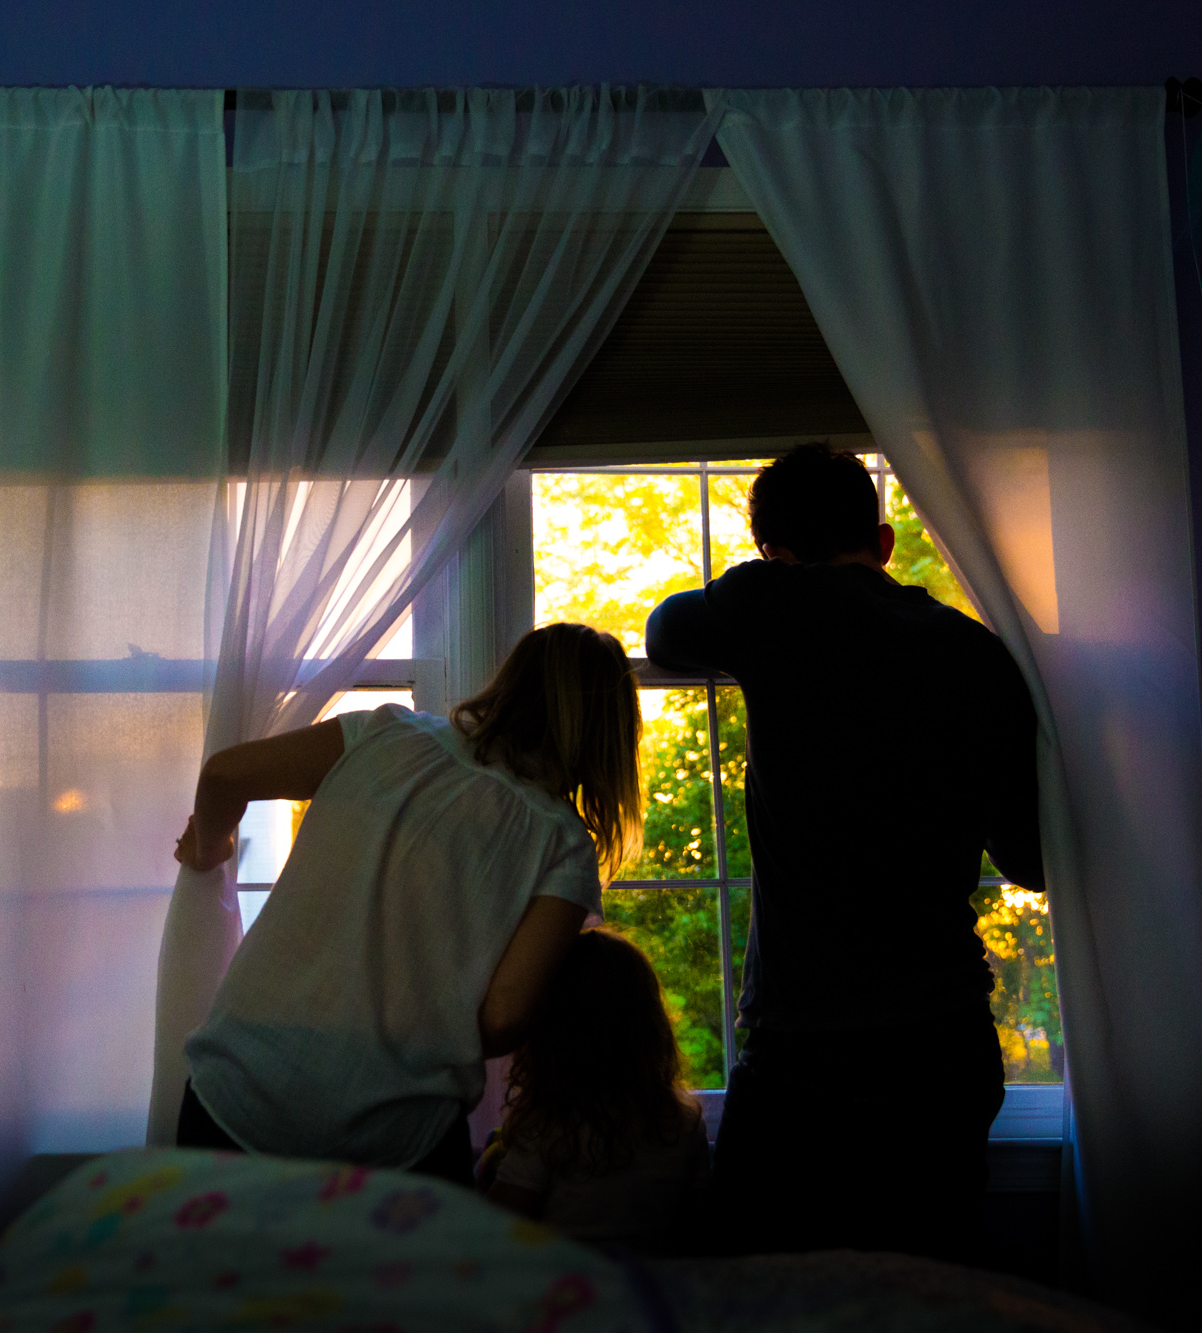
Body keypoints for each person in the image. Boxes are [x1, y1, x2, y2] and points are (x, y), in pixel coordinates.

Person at [644, 444, 1044, 1262]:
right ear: (886, 542)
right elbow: (1028, 857)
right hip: (942, 1039)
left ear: (772, 550)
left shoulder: (773, 602)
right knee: (934, 1289)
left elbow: (665, 632)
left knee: (764, 1292)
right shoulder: (977, 651)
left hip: (807, 1047)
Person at [173, 622, 643, 1188]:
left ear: (511, 684)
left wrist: (210, 849)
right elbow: (503, 1018)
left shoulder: (384, 733)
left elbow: (224, 773)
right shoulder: (563, 845)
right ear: (606, 737)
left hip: (240, 1088)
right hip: (392, 1136)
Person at [483, 929, 709, 1252]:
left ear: (550, 1029)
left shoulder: (550, 1126)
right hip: (657, 1291)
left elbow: (493, 1225)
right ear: (649, 1025)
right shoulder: (685, 1124)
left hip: (572, 1292)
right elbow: (698, 1228)